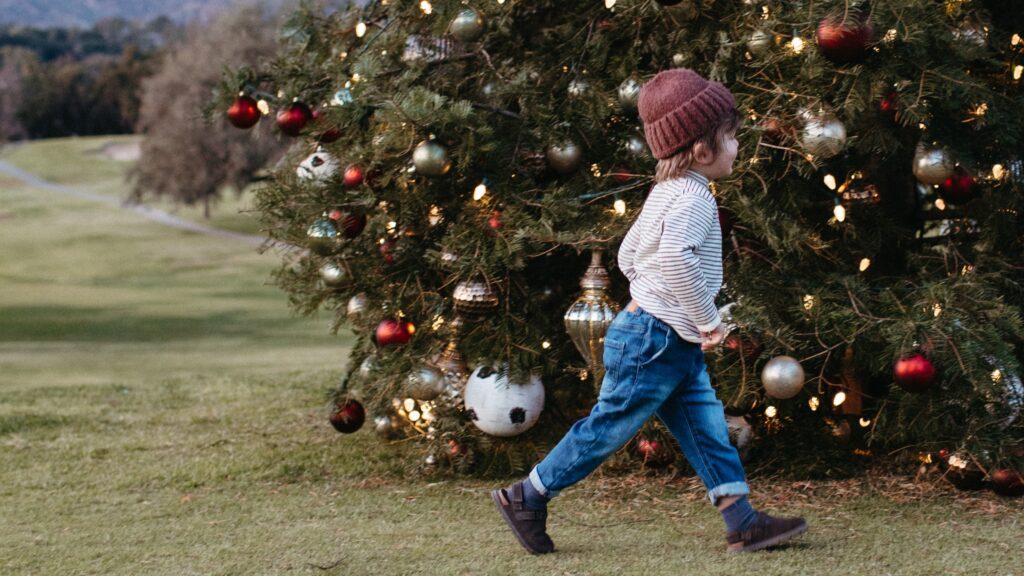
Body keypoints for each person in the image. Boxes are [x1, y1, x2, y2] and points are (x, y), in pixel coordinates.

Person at [491, 68, 808, 554]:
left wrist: (654, 298)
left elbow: (628, 255)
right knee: (608, 427)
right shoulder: (695, 200)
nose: (737, 146)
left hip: (659, 336)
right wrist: (706, 319)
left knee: (706, 429)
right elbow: (674, 259)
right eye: (732, 136)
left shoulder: (666, 191)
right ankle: (527, 495)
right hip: (654, 341)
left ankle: (742, 521)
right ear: (702, 148)